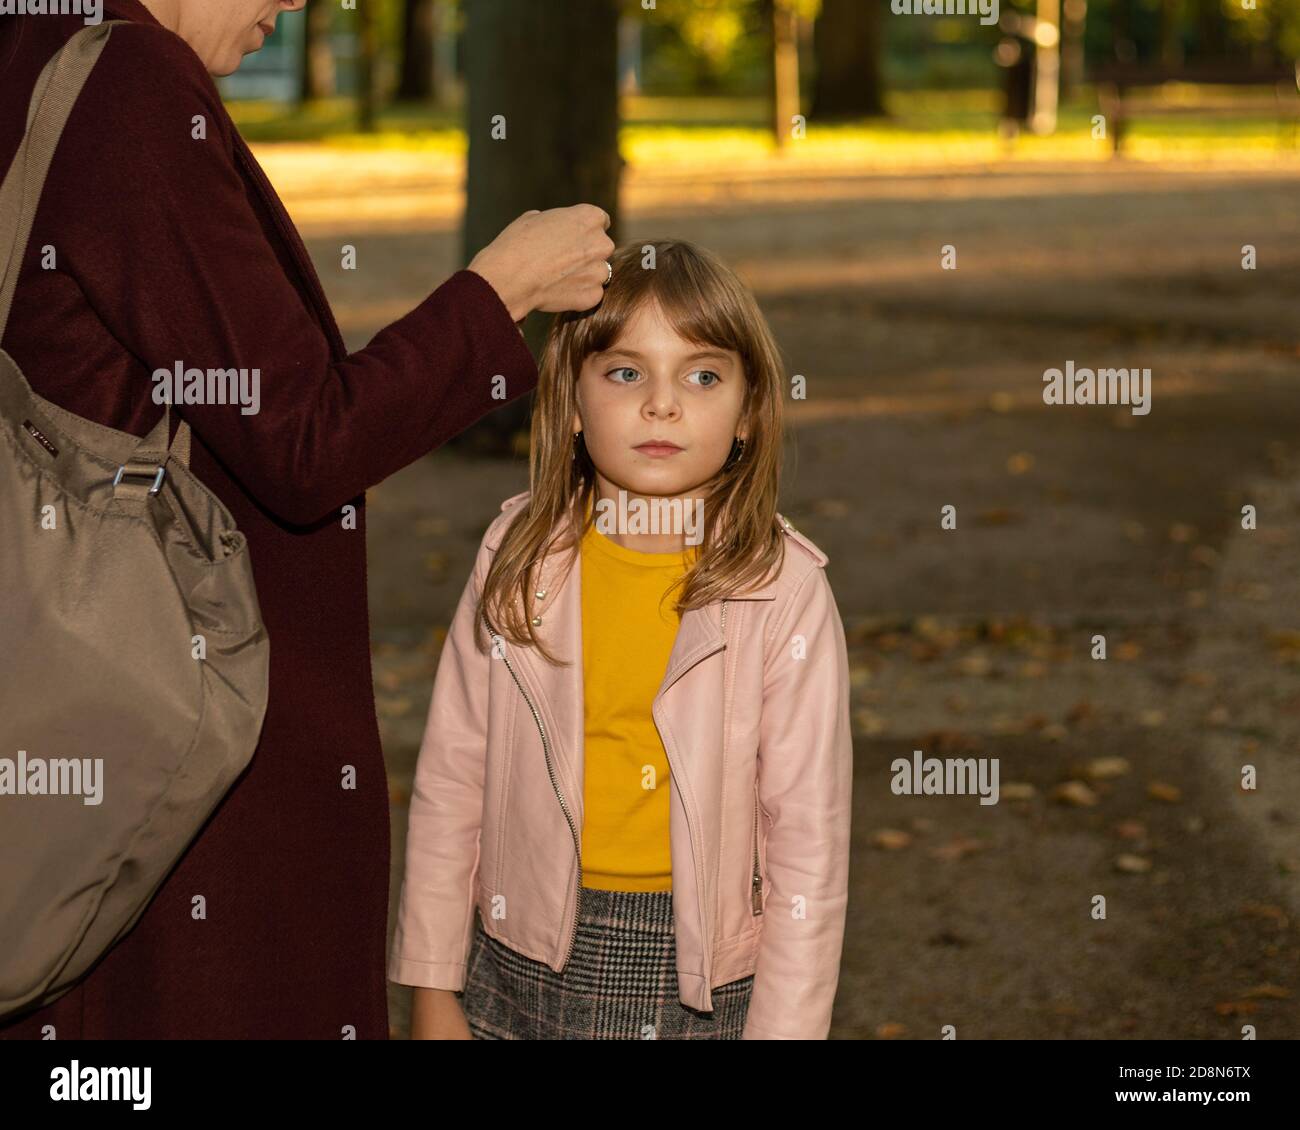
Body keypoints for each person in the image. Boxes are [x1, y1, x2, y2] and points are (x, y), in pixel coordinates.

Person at [0, 0, 613, 1039]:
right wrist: (497, 293)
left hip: (69, 701)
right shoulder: (126, 85)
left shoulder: (33, 39)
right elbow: (302, 442)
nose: (297, 3)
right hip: (180, 727)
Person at [387, 239, 854, 1039]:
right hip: (516, 948)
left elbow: (808, 842)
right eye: (625, 372)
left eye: (702, 375)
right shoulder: (516, 560)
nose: (662, 404)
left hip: (693, 971)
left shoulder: (784, 592)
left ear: (748, 414)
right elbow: (452, 780)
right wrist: (432, 987)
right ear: (571, 402)